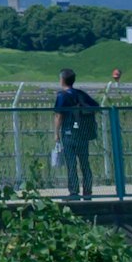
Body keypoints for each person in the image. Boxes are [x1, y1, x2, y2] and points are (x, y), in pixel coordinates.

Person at [52, 68, 101, 200]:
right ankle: (88, 191)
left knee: (71, 164)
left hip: (69, 133)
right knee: (85, 163)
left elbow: (58, 115)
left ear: (62, 80)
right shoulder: (80, 94)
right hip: (83, 133)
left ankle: (74, 191)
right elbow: (96, 106)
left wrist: (56, 133)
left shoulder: (62, 96)